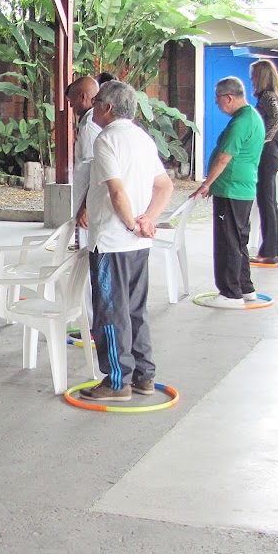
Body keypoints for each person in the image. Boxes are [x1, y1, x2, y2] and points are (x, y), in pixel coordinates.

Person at [76, 81, 174, 402]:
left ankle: (117, 381)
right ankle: (145, 375)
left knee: (109, 312)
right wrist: (148, 219)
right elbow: (165, 187)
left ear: (107, 108)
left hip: (112, 242)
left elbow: (117, 192)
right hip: (137, 245)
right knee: (135, 309)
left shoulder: (107, 140)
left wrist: (133, 221)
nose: (92, 106)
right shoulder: (142, 139)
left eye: (97, 101)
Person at [190, 76, 265, 309]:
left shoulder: (242, 122)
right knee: (238, 239)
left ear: (229, 97)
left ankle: (230, 293)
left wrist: (206, 183)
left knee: (228, 241)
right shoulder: (251, 117)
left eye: (218, 98)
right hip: (241, 188)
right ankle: (245, 287)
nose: (216, 103)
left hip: (231, 188)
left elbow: (224, 157)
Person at [249, 59, 278, 265]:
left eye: (254, 75)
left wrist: (263, 140)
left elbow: (275, 119)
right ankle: (270, 248)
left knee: (266, 201)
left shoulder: (267, 97)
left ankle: (270, 251)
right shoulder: (277, 97)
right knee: (268, 201)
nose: (252, 79)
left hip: (267, 152)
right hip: (274, 151)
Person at [67, 76, 101, 249]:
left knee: (87, 251)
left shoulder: (90, 126)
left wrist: (85, 206)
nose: (71, 105)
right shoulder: (93, 121)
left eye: (72, 99)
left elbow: (94, 170)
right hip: (89, 198)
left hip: (89, 201)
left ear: (83, 96)